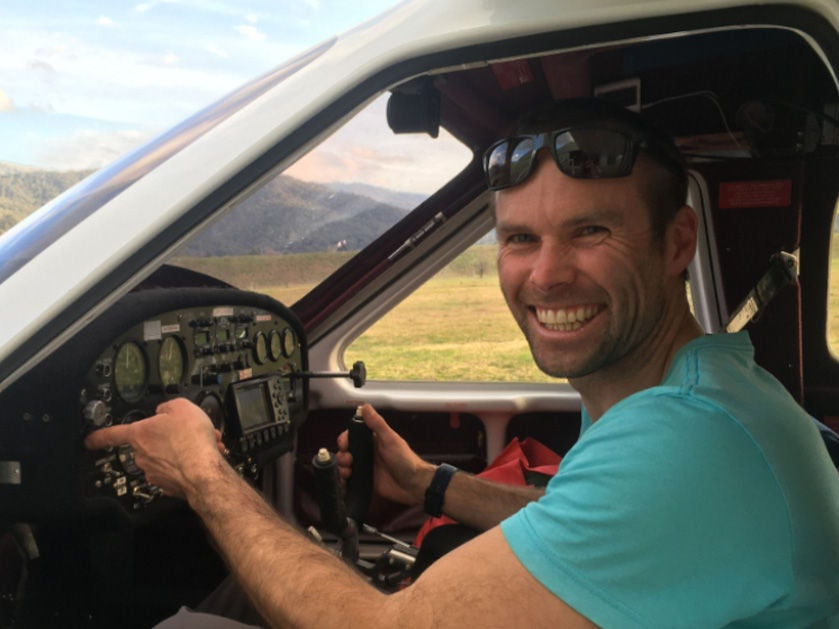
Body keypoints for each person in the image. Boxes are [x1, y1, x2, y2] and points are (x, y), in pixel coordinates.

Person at [85, 99, 839, 627]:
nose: (545, 276)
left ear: (676, 243)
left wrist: (203, 474)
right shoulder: (678, 389)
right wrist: (429, 483)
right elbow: (570, 523)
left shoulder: (689, 442)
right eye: (518, 239)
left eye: (588, 231)